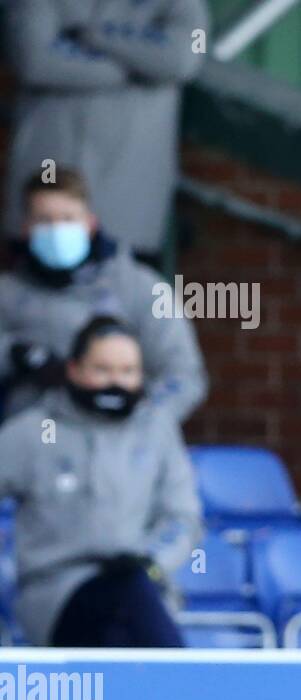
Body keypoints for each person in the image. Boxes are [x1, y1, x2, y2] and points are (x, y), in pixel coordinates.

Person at [0, 316, 201, 646]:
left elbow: (183, 517)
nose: (115, 382)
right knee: (128, 599)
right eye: (102, 369)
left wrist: (153, 562)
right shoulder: (33, 431)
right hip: (56, 594)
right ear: (74, 369)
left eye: (127, 371)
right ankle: (184, 689)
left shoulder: (156, 430)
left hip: (140, 586)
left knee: (127, 600)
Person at [4, 0, 210, 259]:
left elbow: (184, 59)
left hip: (128, 203)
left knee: (119, 294)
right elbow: (33, 62)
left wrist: (92, 36)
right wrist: (134, 68)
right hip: (45, 195)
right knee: (33, 294)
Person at [0, 169, 208, 423]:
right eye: (45, 220)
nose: (56, 230)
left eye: (68, 218)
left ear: (90, 223)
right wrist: (14, 353)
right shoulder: (8, 293)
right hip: (37, 448)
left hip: (121, 452)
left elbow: (184, 376)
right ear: (26, 228)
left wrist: (136, 422)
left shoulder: (140, 287)